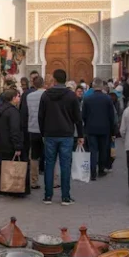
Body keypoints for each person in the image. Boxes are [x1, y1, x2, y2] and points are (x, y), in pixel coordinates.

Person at [39, 69, 83, 206]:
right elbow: (78, 118)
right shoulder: (71, 96)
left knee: (49, 165)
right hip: (66, 135)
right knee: (65, 166)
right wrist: (81, 135)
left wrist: (43, 133)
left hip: (50, 135)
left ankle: (48, 196)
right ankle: (65, 197)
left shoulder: (46, 95)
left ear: (55, 80)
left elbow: (41, 116)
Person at [0, 89, 28, 196]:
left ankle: (3, 188)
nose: (19, 98)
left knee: (4, 166)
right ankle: (13, 189)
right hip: (10, 144)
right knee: (12, 166)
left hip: (2, 142)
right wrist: (18, 146)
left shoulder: (1, 110)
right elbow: (15, 130)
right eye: (18, 96)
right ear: (13, 98)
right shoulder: (13, 112)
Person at [82, 78, 116, 180]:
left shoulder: (87, 99)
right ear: (101, 87)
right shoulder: (107, 99)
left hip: (91, 129)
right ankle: (101, 170)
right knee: (103, 150)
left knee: (93, 150)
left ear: (93, 86)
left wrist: (86, 125)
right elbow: (112, 116)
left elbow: (83, 115)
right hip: (104, 129)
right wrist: (112, 131)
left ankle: (92, 173)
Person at [24, 76, 46, 189]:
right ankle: (53, 180)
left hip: (33, 128)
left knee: (34, 156)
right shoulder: (47, 95)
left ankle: (34, 181)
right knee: (49, 156)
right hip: (46, 130)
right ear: (44, 83)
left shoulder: (29, 96)